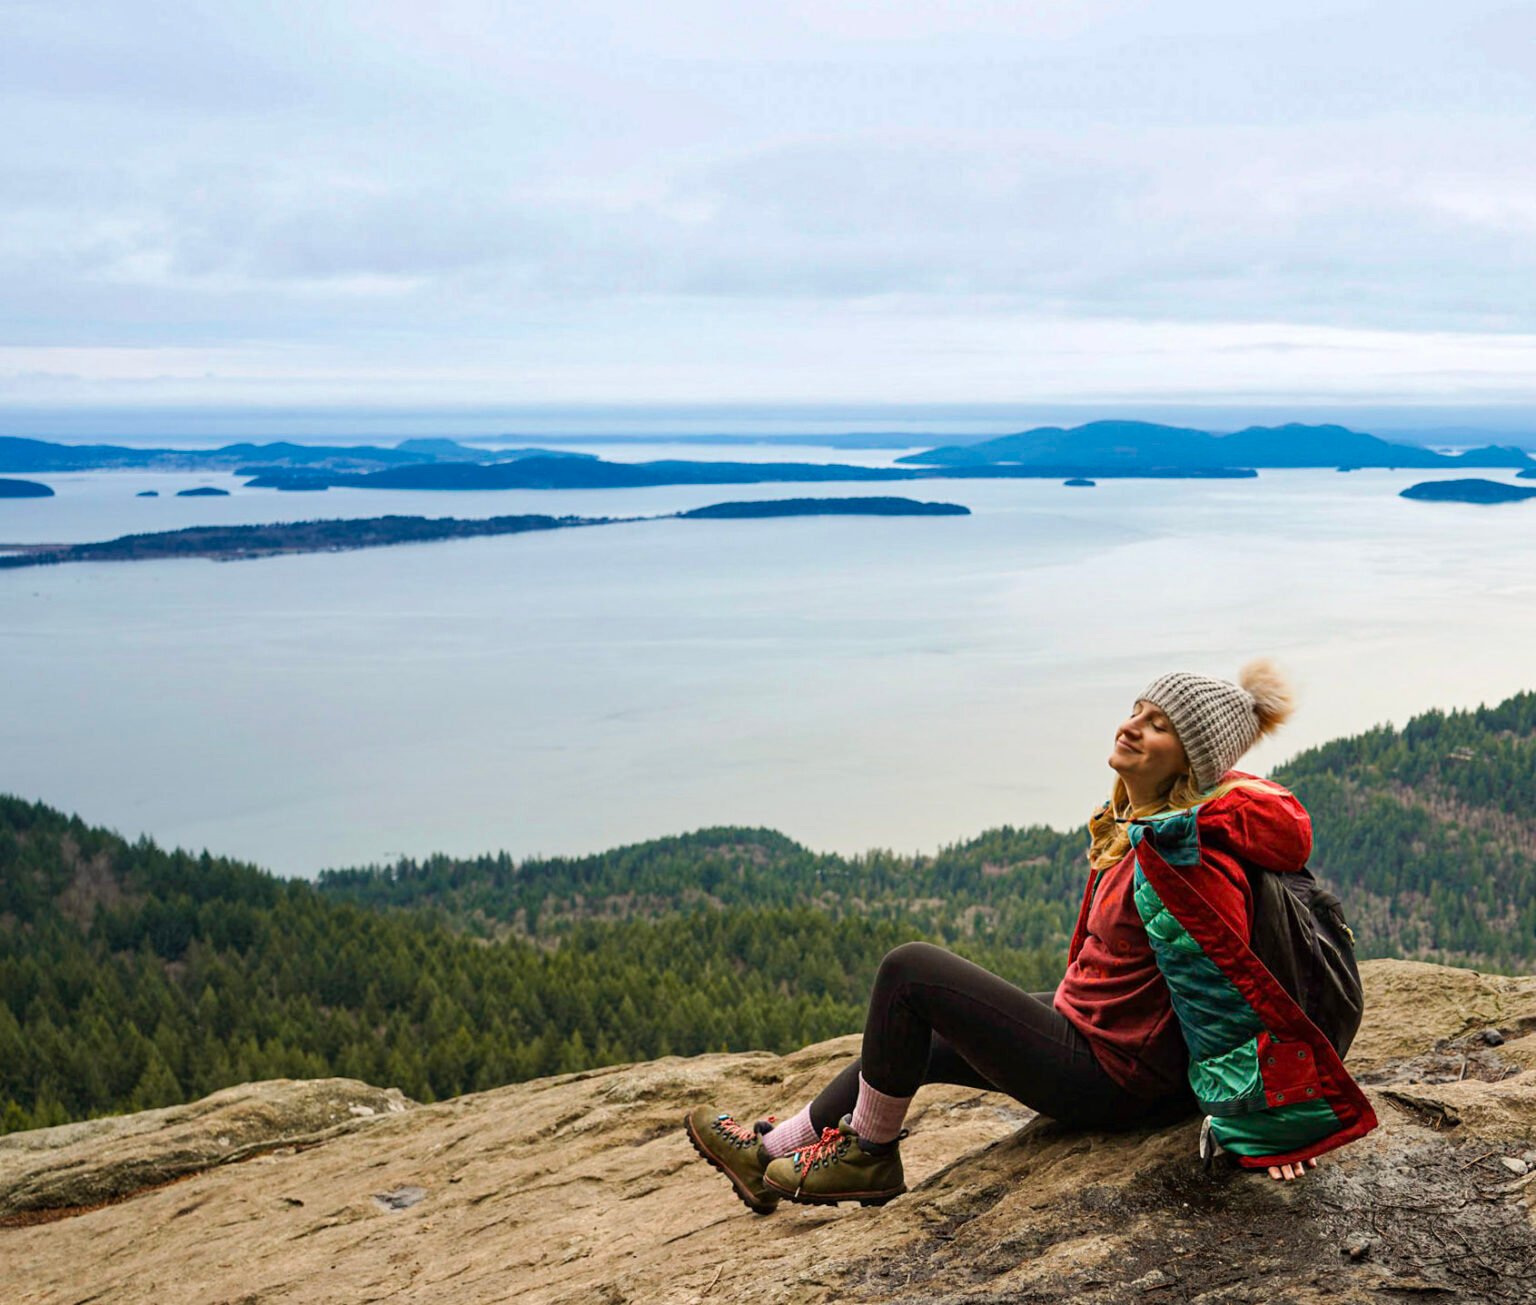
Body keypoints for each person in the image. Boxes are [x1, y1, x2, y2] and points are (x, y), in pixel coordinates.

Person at [684, 660, 1377, 1214]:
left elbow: (1225, 998)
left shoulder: (1183, 856)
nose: (1132, 726)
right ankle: (772, 1148)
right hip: (1101, 1033)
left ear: (1190, 762)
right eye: (1137, 709)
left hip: (1115, 1074)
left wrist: (1269, 1125)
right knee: (915, 1036)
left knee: (910, 972)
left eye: (1158, 725)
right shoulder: (1139, 826)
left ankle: (868, 1152)